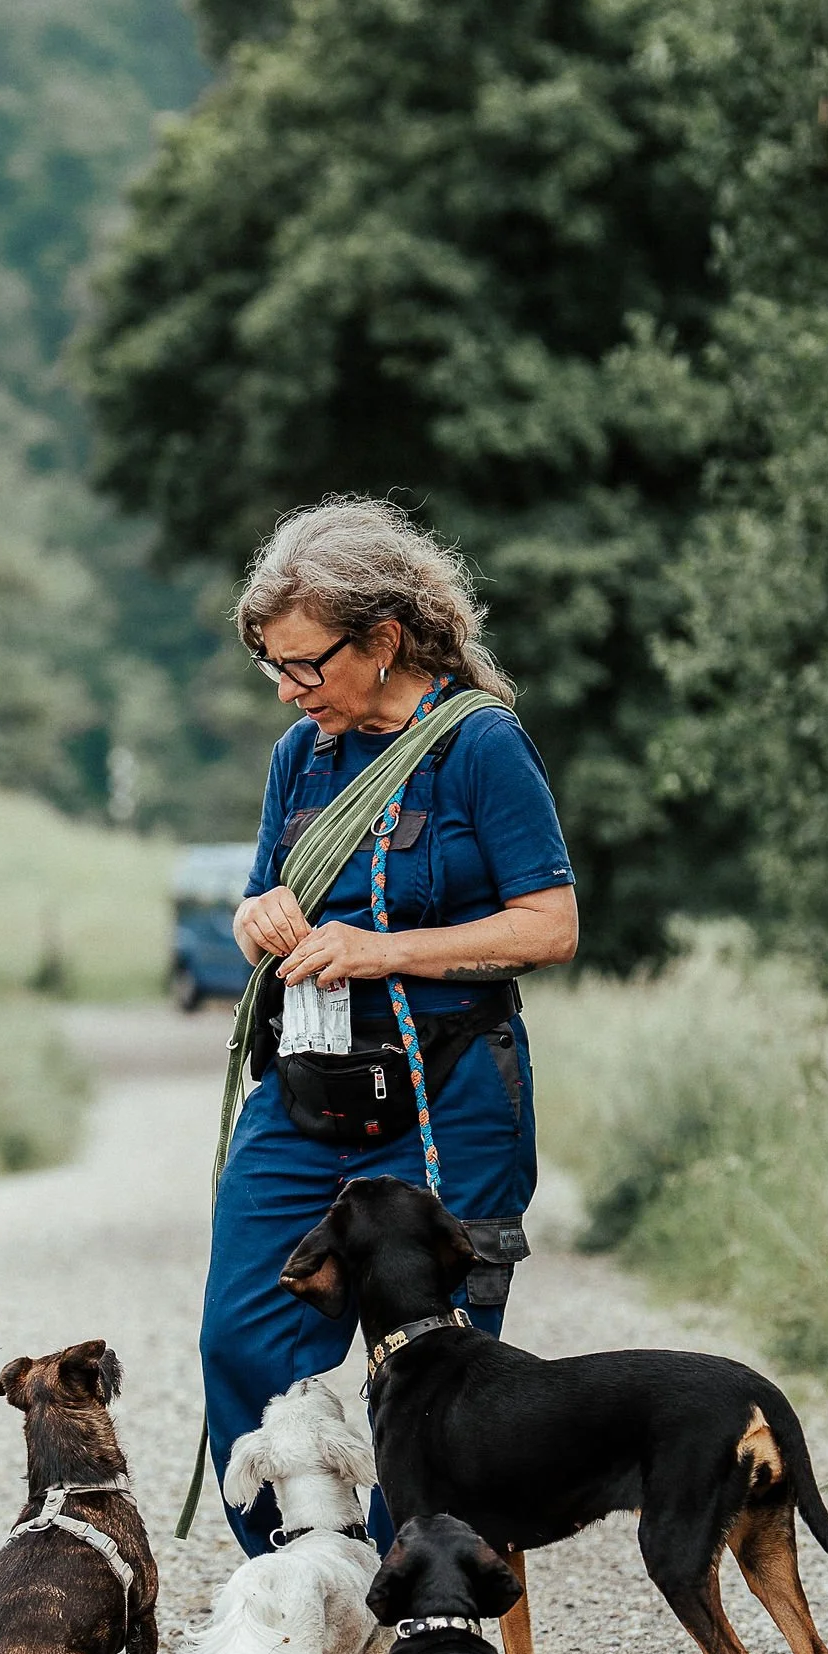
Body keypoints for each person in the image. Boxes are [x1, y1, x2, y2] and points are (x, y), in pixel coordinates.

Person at [200, 498, 579, 1555]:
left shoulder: (479, 745)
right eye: (271, 666)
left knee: (436, 1370)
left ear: (382, 638)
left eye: (304, 665)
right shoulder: (299, 755)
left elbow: (550, 925)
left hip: (451, 1091)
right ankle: (303, 1582)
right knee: (241, 1330)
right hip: (307, 1084)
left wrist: (382, 948)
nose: (285, 689)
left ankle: (412, 1608)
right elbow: (259, 905)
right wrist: (256, 917)